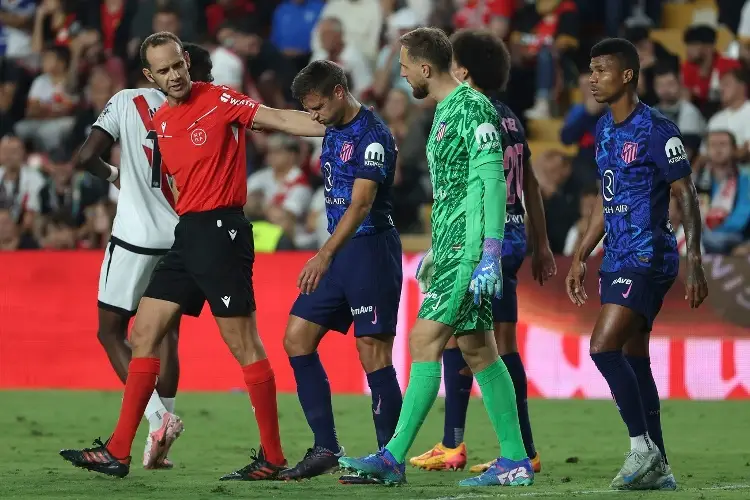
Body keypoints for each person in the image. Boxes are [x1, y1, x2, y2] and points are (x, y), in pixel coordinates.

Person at [59, 32, 327, 480]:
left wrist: (342, 123)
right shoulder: (161, 121)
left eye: (178, 66)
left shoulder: (220, 98)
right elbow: (178, 186)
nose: (174, 76)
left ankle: (274, 458)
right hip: (188, 235)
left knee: (244, 345)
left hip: (222, 232)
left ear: (187, 61)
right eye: (162, 71)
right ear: (150, 76)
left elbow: (279, 118)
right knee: (143, 332)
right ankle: (119, 451)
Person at [338, 27, 535, 488]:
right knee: (479, 349)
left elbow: (491, 181)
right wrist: (435, 247)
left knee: (425, 341)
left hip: (469, 251)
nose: (402, 75)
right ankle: (515, 458)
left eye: (405, 67)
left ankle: (392, 457)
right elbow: (456, 190)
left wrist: (488, 252)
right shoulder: (447, 110)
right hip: (451, 248)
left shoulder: (473, 107)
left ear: (426, 67)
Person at [409, 28, 555, 475]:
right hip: (512, 231)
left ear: (462, 69)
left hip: (483, 236)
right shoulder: (509, 116)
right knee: (488, 341)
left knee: (462, 339)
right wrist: (541, 241)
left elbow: (491, 180)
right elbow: (527, 180)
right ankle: (519, 448)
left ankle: (461, 443)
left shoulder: (474, 112)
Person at [567, 38, 708, 490]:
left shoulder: (657, 129)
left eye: (602, 69)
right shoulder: (605, 130)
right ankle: (660, 465)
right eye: (591, 69)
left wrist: (696, 262)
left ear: (627, 75)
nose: (593, 78)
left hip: (649, 256)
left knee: (602, 348)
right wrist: (581, 254)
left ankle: (640, 448)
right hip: (617, 255)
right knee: (634, 357)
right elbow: (602, 203)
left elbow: (685, 194)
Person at [68, 42, 214, 470]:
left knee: (111, 331)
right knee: (166, 335)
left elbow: (84, 157)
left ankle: (156, 418)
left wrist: (116, 176)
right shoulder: (208, 110)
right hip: (182, 238)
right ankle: (159, 437)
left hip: (134, 237)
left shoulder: (126, 101)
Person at [277, 60, 402, 481]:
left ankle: (389, 459)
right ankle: (326, 447)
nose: (314, 116)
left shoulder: (373, 136)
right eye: (308, 110)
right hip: (339, 253)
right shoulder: (330, 124)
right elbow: (290, 121)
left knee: (372, 352)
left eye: (316, 107)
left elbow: (362, 203)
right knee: (297, 338)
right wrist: (249, 116)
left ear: (337, 92)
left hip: (369, 251)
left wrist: (324, 254)